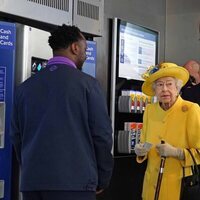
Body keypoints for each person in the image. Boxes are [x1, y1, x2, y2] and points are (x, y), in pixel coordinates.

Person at [10, 24, 113, 200]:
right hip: (75, 184)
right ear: (75, 47)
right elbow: (102, 135)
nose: (85, 54)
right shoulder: (88, 85)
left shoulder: (24, 88)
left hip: (33, 184)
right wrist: (102, 177)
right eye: (85, 49)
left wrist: (31, 169)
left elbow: (17, 136)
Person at [134, 62, 200, 200]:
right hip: (150, 188)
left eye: (169, 84)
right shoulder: (150, 111)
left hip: (179, 188)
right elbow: (144, 142)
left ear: (177, 87)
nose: (164, 89)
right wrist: (141, 151)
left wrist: (177, 152)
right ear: (155, 89)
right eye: (159, 85)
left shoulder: (191, 110)